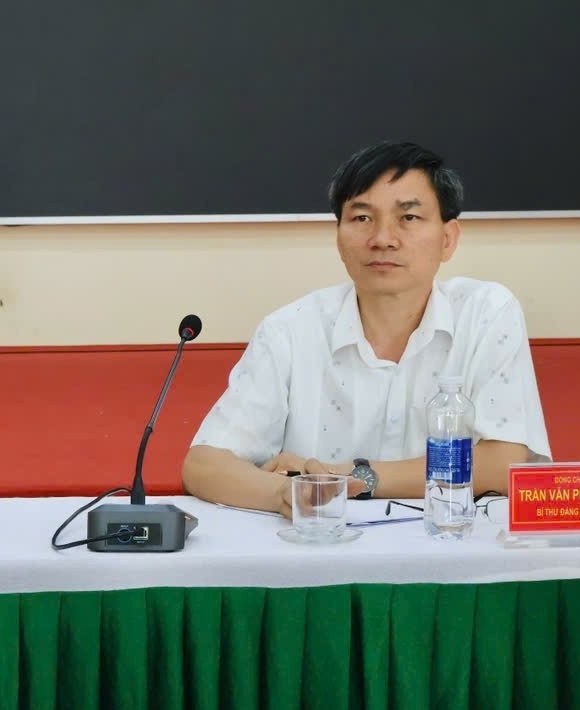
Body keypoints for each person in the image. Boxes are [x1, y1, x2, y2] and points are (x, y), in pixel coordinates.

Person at [182, 141, 550, 518]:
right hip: (323, 545)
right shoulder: (290, 329)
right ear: (338, 239)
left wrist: (346, 477)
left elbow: (502, 464)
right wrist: (290, 493)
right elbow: (204, 464)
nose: (382, 239)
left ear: (447, 239)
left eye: (409, 218)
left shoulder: (485, 312)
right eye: (361, 218)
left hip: (447, 540)